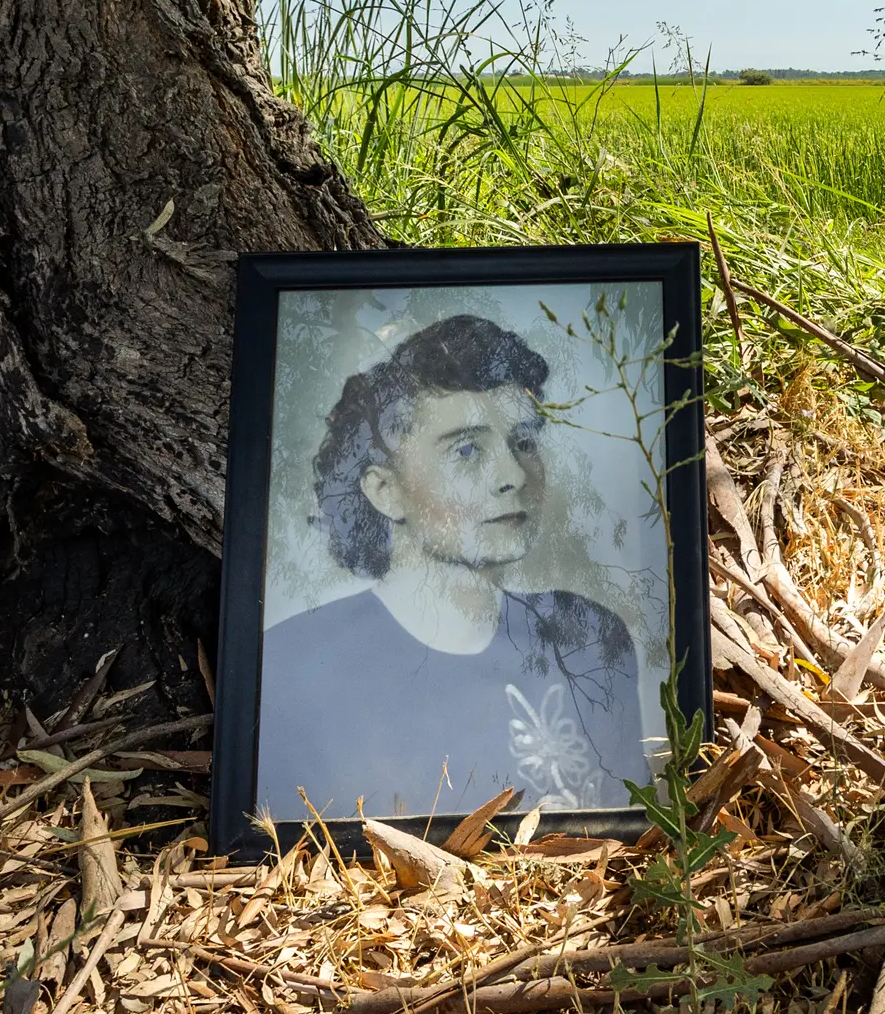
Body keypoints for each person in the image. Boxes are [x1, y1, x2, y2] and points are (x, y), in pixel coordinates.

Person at [258, 314, 651, 820]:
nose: (512, 475)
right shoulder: (291, 665)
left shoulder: (590, 638)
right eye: (467, 450)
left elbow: (625, 834)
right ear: (386, 490)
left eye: (524, 442)